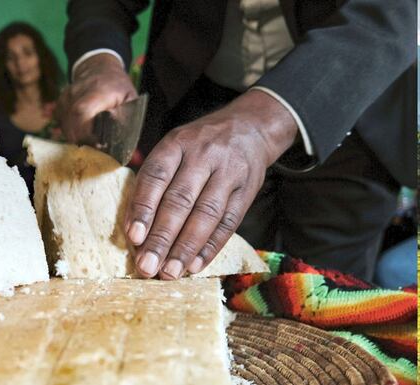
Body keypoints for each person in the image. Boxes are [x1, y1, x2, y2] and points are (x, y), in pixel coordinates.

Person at [59, 0, 416, 282]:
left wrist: (263, 124)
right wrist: (98, 60)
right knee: (213, 288)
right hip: (195, 107)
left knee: (331, 303)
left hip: (345, 112)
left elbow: (391, 9)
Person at [0, 22, 64, 192]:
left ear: (41, 57)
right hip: (15, 202)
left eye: (28, 53)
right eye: (11, 58)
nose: (21, 63)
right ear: (2, 66)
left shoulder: (66, 103)